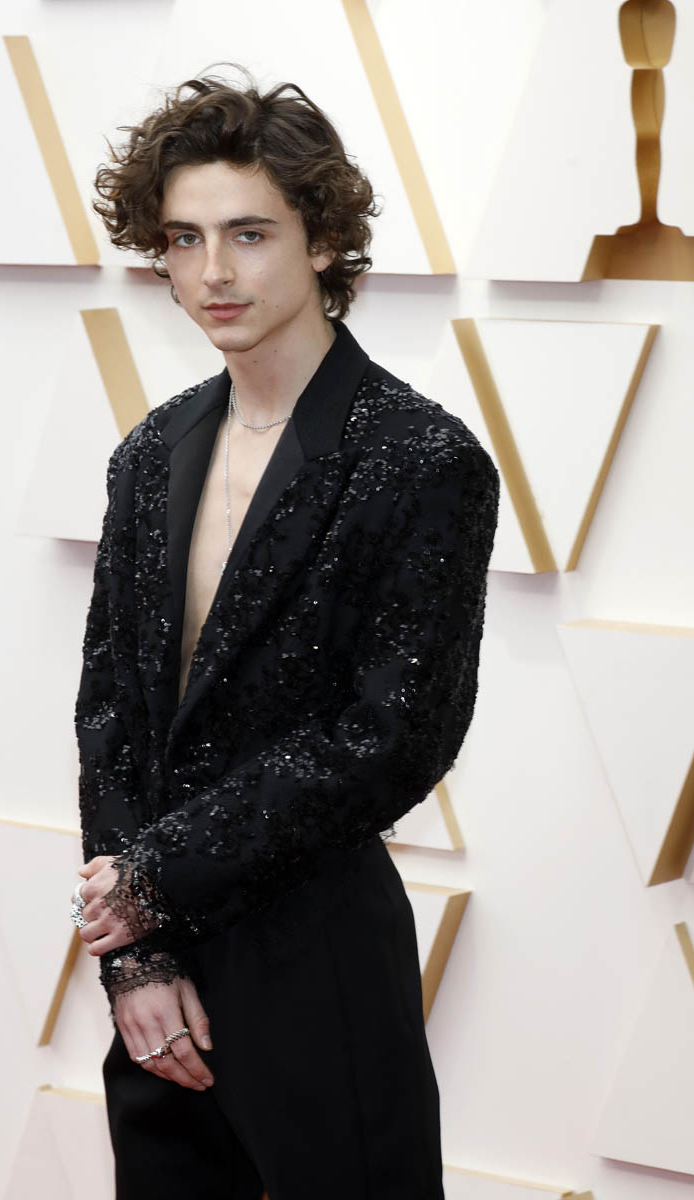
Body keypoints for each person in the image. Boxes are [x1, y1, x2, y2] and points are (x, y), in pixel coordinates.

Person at [70, 68, 499, 1200]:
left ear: (322, 241)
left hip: (320, 957)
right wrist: (137, 955)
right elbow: (110, 709)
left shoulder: (422, 458)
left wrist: (151, 879)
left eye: (248, 234)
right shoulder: (150, 453)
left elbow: (396, 737)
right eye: (184, 238)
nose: (213, 271)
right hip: (158, 979)